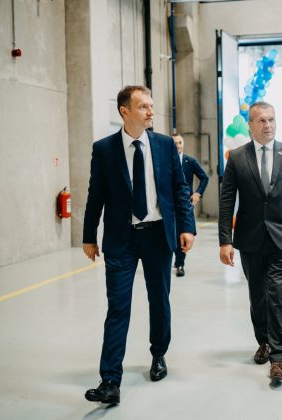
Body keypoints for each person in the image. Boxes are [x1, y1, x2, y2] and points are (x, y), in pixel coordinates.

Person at [82, 86, 196, 404]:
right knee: (118, 307)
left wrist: (187, 227)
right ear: (125, 111)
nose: (150, 111)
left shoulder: (164, 145)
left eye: (151, 106)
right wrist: (89, 236)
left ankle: (158, 354)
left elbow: (179, 188)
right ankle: (110, 380)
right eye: (143, 106)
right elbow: (95, 196)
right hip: (122, 239)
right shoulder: (104, 149)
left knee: (159, 300)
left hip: (158, 235)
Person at [218, 101, 282, 382]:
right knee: (257, 296)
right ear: (250, 126)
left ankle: (279, 358)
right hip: (250, 238)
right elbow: (227, 200)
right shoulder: (237, 157)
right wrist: (225, 240)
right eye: (261, 120)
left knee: (276, 294)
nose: (268, 125)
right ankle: (264, 342)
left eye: (271, 119)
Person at [172, 134, 209, 276]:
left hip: (185, 204)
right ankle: (175, 259)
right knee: (172, 234)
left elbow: (204, 177)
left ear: (183, 144)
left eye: (179, 142)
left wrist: (198, 193)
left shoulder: (190, 161)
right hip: (169, 204)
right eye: (175, 143)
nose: (177, 145)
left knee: (183, 233)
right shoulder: (166, 161)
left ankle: (180, 263)